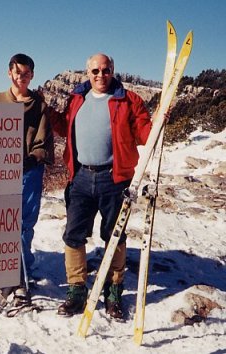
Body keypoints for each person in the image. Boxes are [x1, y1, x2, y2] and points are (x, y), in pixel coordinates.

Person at [50, 53, 152, 319]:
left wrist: (161, 121)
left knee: (114, 235)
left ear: (113, 71)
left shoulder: (128, 100)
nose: (100, 75)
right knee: (73, 234)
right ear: (88, 72)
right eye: (95, 71)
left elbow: (145, 133)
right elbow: (64, 127)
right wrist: (46, 112)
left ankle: (113, 291)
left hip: (114, 178)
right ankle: (76, 290)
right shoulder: (77, 98)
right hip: (81, 177)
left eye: (105, 71)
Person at [0, 53, 54, 307]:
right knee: (2, 220)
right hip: (1, 170)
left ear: (32, 75)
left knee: (24, 222)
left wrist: (33, 157)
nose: (21, 78)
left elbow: (43, 138)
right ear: (9, 73)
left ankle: (21, 274)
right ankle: (1, 269)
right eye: (17, 73)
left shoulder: (39, 103)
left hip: (28, 171)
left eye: (26, 74)